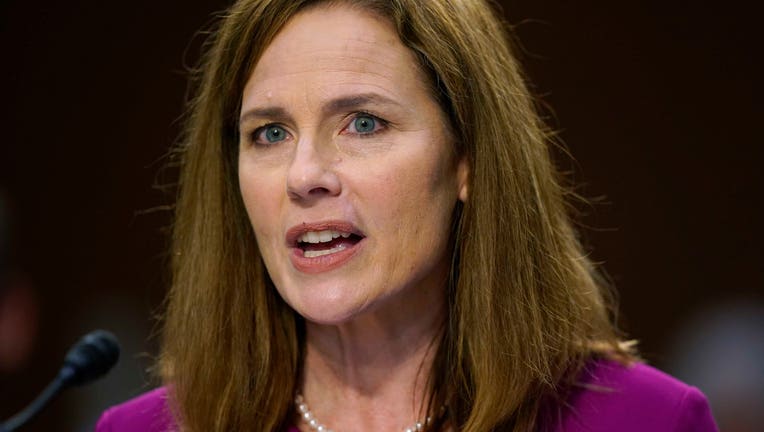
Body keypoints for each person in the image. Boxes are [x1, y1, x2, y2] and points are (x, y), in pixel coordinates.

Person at [96, 0, 718, 431]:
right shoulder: (139, 429)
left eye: (364, 123)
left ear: (466, 159)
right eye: (270, 133)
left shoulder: (648, 420)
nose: (305, 174)